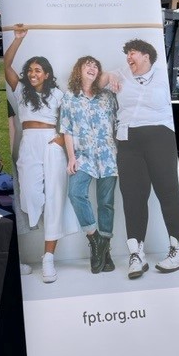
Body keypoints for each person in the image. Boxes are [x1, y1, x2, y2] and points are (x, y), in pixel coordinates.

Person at [104, 38, 179, 279]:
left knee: (168, 191)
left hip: (160, 135)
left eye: (133, 53)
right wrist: (108, 76)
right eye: (127, 53)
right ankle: (136, 253)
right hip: (128, 139)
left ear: (146, 55)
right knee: (132, 196)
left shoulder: (163, 75)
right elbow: (95, 83)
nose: (128, 57)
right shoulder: (120, 73)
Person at [4, 25, 74, 283]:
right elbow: (7, 65)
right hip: (29, 144)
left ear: (46, 74)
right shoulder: (22, 90)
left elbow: (69, 121)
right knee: (31, 195)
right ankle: (41, 230)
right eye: (30, 70)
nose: (32, 73)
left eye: (37, 70)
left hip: (52, 144)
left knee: (55, 197)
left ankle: (48, 259)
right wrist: (18, 39)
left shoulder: (57, 94)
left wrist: (58, 139)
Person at [60, 56, 118, 273]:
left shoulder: (107, 96)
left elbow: (116, 122)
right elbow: (66, 129)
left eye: (96, 65)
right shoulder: (70, 97)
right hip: (83, 156)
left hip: (108, 156)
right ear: (79, 70)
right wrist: (71, 157)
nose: (92, 68)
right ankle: (95, 240)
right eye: (88, 65)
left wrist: (110, 75)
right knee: (75, 193)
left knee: (106, 204)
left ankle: (106, 252)